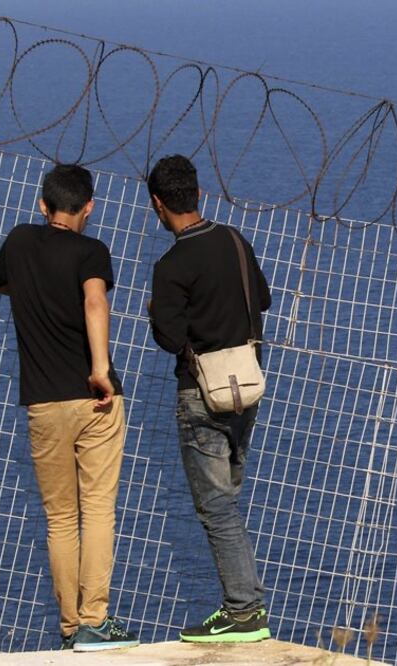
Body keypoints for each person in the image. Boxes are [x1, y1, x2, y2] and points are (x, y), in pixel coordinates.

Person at [0, 164, 139, 652]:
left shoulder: (17, 243)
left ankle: (71, 626)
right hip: (95, 400)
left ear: (42, 204)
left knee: (59, 518)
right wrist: (99, 368)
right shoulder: (91, 251)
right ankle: (96, 620)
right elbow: (95, 303)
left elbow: (0, 283)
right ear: (89, 207)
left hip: (42, 403)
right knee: (96, 509)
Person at [147, 154, 272, 643]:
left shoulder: (171, 264)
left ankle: (243, 609)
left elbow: (169, 336)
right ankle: (244, 604)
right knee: (229, 502)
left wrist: (158, 310)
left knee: (216, 508)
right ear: (198, 194)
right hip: (247, 384)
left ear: (159, 204)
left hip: (202, 394)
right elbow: (260, 299)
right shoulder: (235, 242)